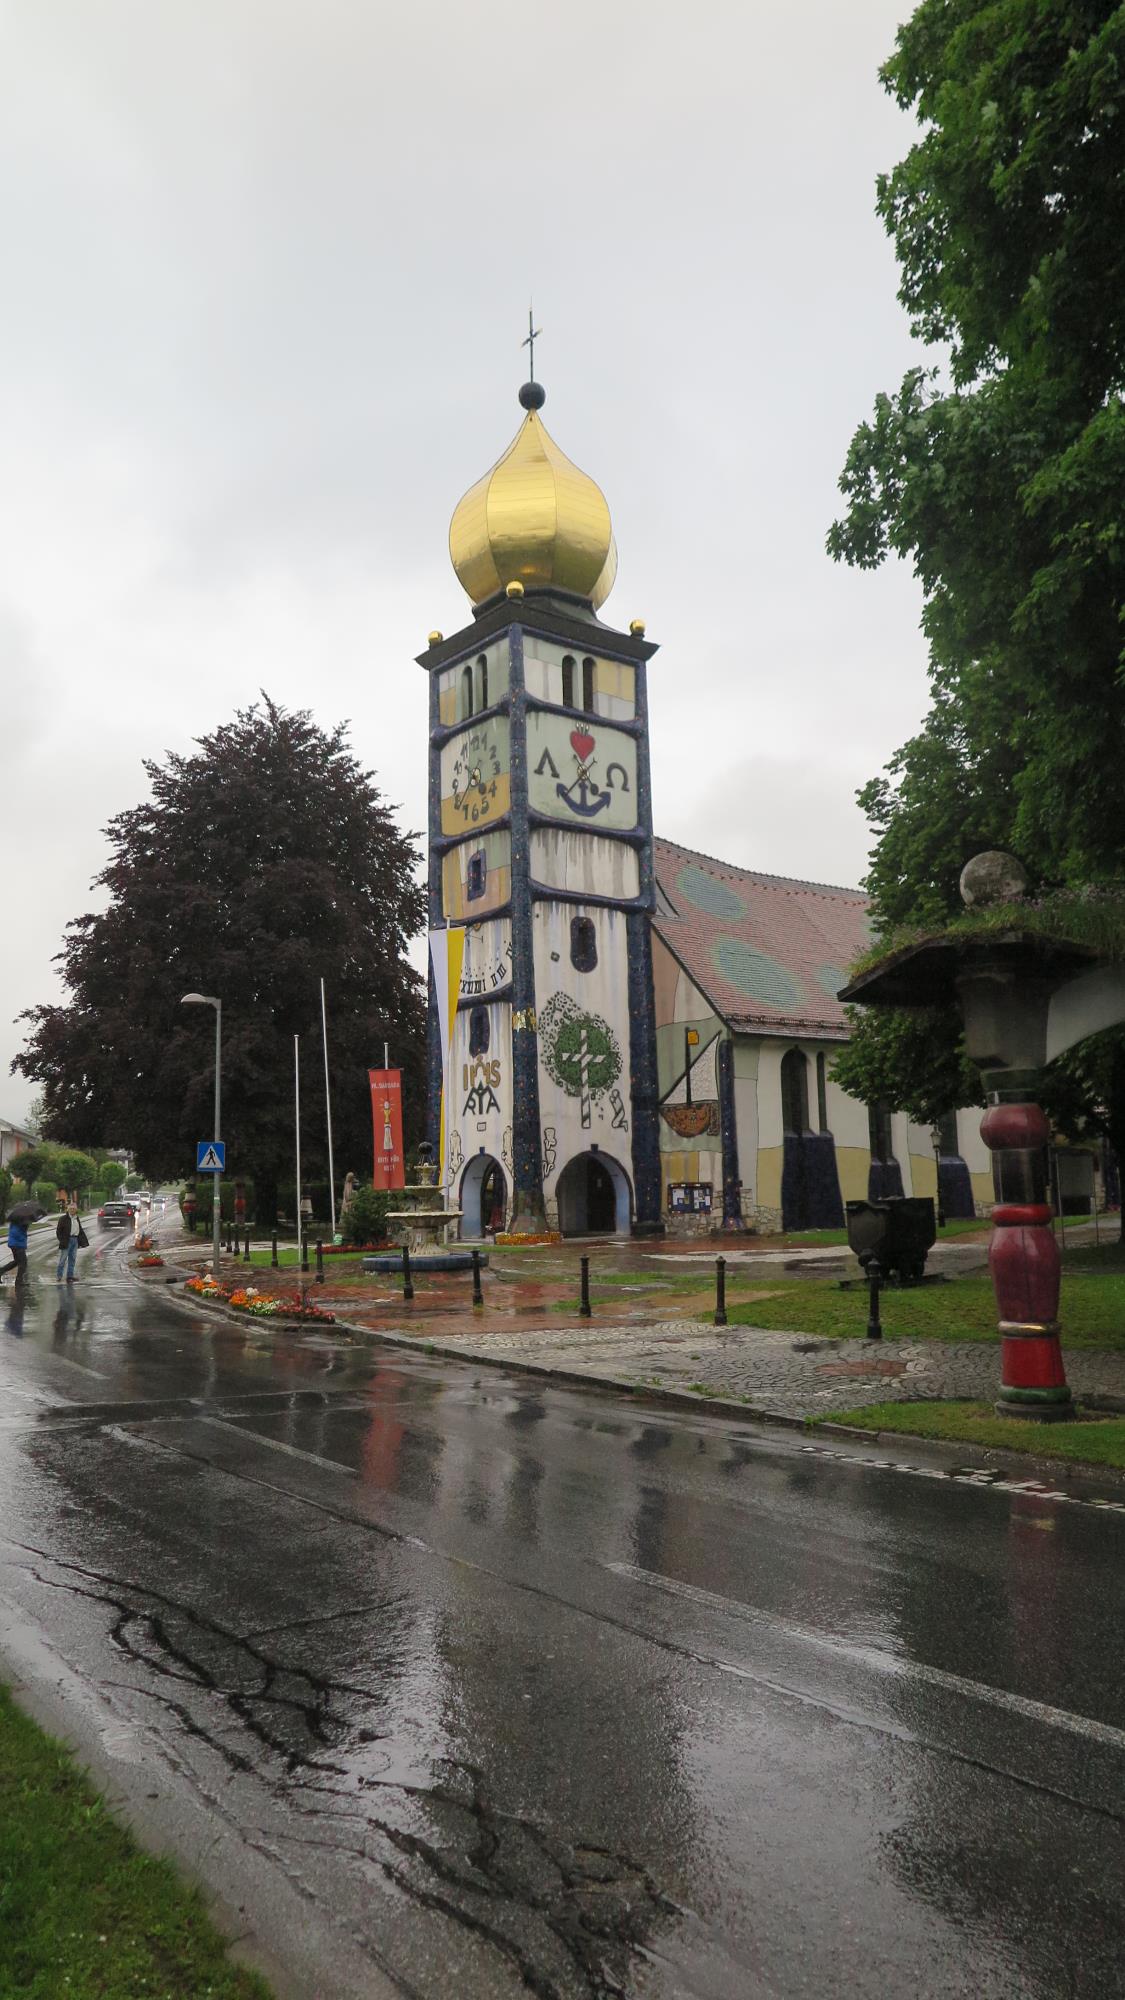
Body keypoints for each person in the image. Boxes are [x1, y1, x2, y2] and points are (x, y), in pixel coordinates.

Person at [56, 1201, 86, 1283]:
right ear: (68, 1209)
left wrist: (82, 1241)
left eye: (74, 1209)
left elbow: (80, 1230)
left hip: (75, 1240)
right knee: (63, 1259)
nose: (72, 1210)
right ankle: (59, 1276)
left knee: (72, 1259)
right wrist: (62, 1240)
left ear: (76, 1210)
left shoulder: (77, 1218)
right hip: (67, 1240)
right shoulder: (63, 1219)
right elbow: (58, 1231)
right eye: (71, 1209)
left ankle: (70, 1276)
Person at [0, 1213, 30, 1285]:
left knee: (17, 1261)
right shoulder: (19, 1223)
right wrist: (25, 1227)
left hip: (15, 1244)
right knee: (23, 1263)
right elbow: (17, 1233)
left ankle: (1, 1271)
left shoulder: (16, 1222)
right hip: (17, 1245)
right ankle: (19, 1281)